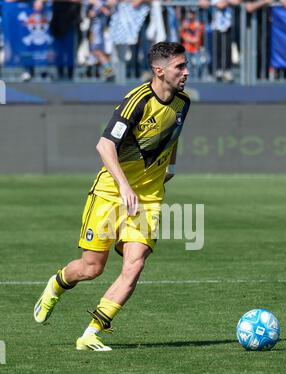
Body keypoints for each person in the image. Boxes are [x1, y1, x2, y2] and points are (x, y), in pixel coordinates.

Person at [34, 41, 190, 352]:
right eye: (180, 67)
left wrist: (168, 169)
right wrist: (124, 186)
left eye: (186, 66)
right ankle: (56, 284)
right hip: (110, 192)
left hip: (147, 198)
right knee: (92, 268)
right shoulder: (136, 101)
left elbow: (172, 136)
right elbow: (104, 146)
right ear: (160, 71)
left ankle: (91, 333)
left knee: (135, 264)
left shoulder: (183, 103)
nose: (186, 72)